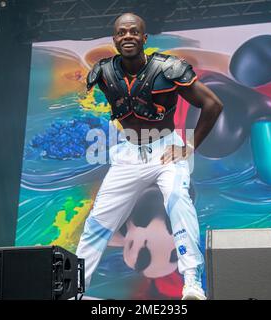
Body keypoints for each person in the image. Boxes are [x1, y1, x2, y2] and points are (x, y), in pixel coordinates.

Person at [76, 13, 223, 300]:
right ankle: (74, 288)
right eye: (121, 32)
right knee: (97, 222)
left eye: (134, 32)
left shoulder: (168, 68)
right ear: (115, 39)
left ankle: (192, 282)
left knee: (179, 201)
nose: (127, 36)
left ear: (144, 38)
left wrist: (189, 147)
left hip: (165, 151)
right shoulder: (103, 72)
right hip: (128, 154)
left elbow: (212, 104)